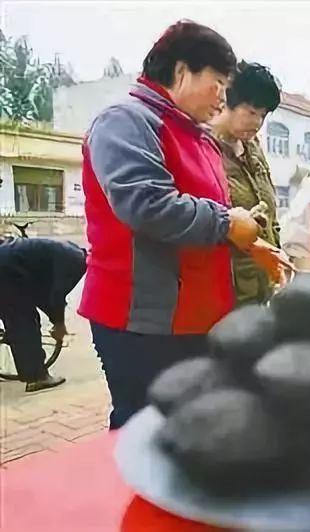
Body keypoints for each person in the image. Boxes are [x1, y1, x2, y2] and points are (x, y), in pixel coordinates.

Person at [79, 21, 263, 429]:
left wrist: (247, 241)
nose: (223, 96)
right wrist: (227, 223)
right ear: (181, 71)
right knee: (144, 429)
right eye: (218, 82)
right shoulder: (126, 122)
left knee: (186, 427)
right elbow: (146, 204)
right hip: (143, 322)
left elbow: (205, 217)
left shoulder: (198, 137)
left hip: (194, 316)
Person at [210, 61, 283, 305]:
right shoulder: (204, 147)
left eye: (263, 115)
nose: (258, 122)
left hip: (261, 286)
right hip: (225, 289)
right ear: (227, 102)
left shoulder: (253, 148)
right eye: (251, 112)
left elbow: (270, 212)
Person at [0, 237, 86, 392]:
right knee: (24, 322)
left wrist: (55, 319)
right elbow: (56, 295)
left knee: (16, 314)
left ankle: (25, 356)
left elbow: (42, 293)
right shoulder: (75, 263)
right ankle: (37, 378)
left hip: (9, 263)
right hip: (7, 269)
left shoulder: (69, 250)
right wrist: (59, 324)